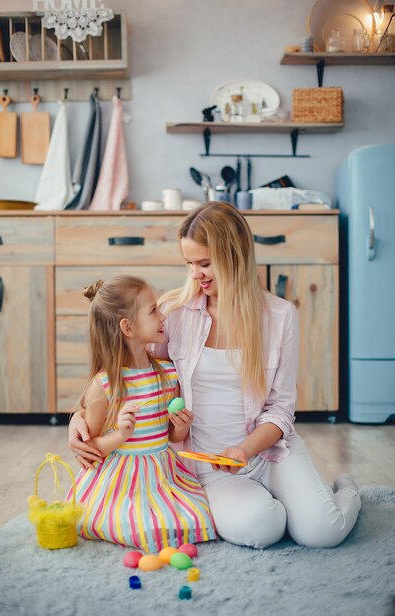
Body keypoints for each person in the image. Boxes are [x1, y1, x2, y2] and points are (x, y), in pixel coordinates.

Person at [69, 202, 361, 550]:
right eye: (189, 263)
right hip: (210, 466)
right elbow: (125, 371)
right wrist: (80, 417)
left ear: (234, 256)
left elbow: (281, 408)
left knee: (322, 533)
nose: (195, 274)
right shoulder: (175, 314)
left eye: (205, 263)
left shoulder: (281, 316)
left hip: (270, 453)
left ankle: (346, 490)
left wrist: (246, 448)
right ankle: (286, 506)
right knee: (262, 528)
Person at [66, 274, 216, 552]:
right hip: (121, 481)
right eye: (153, 311)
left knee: (195, 516)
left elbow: (170, 436)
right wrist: (121, 435)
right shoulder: (104, 385)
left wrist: (180, 427)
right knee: (135, 525)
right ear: (128, 327)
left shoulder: (168, 374)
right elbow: (90, 447)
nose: (163, 316)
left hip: (160, 473)